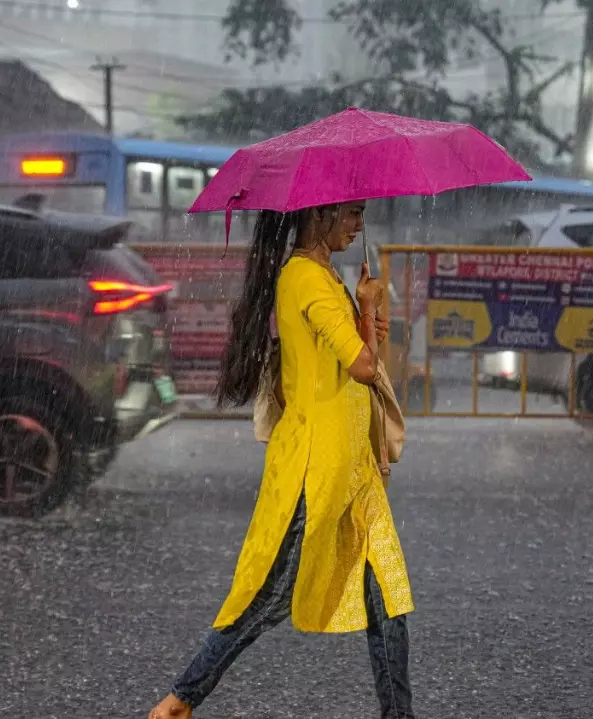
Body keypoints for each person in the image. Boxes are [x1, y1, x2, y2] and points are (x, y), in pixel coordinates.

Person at [148, 201, 415, 719]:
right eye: (353, 214)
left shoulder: (324, 275)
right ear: (322, 216)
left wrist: (369, 318)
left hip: (353, 468)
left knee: (389, 600)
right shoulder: (305, 279)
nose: (360, 224)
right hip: (316, 469)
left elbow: (360, 359)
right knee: (266, 596)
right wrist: (363, 310)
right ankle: (182, 699)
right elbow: (362, 369)